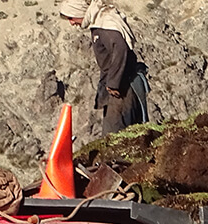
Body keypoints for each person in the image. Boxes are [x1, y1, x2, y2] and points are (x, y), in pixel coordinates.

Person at [58, 0, 150, 134]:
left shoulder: (104, 25)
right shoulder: (100, 22)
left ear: (78, 11)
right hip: (122, 86)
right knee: (127, 138)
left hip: (122, 90)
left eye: (71, 17)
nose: (71, 22)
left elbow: (120, 47)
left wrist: (113, 82)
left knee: (114, 137)